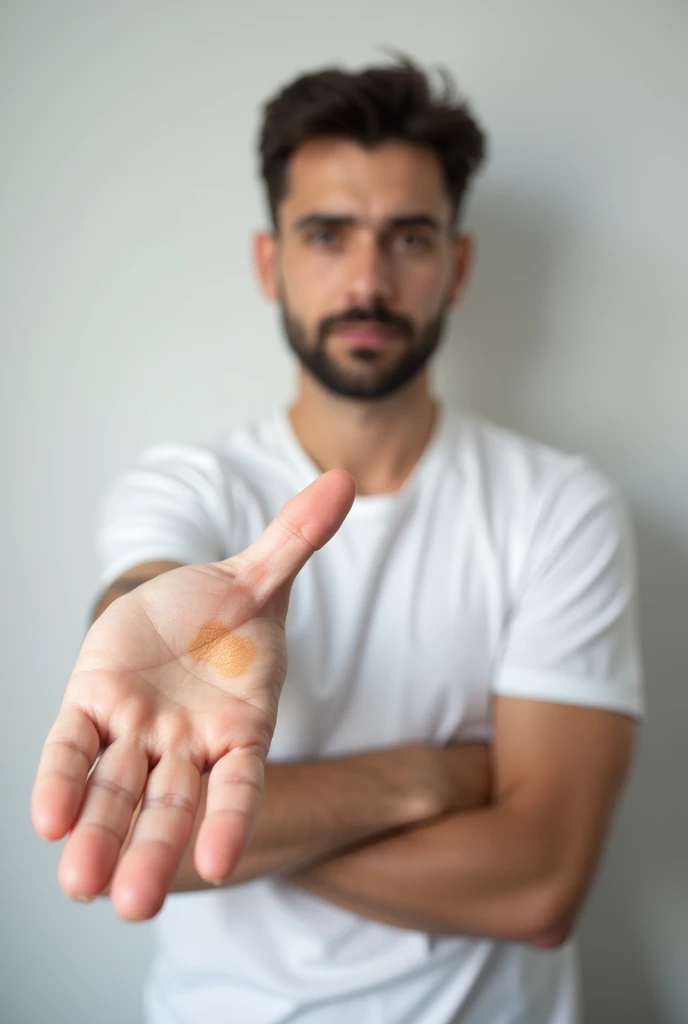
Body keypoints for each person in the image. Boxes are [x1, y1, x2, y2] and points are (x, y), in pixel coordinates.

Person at [31, 55, 644, 1024]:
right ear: (270, 259)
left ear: (457, 264)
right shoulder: (184, 488)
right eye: (327, 234)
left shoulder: (558, 507)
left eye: (408, 237)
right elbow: (151, 823)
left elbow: (538, 885)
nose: (367, 280)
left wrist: (250, 836)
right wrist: (426, 778)